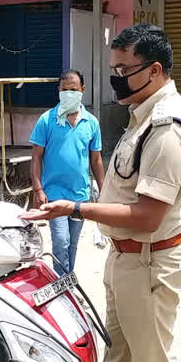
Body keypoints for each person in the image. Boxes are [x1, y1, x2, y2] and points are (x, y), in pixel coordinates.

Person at [23, 24, 181, 362]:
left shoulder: (166, 129)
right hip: (125, 259)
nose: (116, 79)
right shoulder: (141, 116)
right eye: (113, 69)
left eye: (124, 70)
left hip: (148, 264)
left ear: (155, 70)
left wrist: (79, 209)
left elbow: (147, 216)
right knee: (118, 357)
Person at [30, 69, 104, 275]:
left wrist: (103, 189)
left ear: (82, 90)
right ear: (58, 91)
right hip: (54, 194)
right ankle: (62, 283)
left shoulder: (91, 122)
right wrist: (38, 189)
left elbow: (96, 159)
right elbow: (36, 156)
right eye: (64, 89)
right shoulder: (46, 120)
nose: (69, 93)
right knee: (60, 241)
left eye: (73, 89)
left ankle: (67, 281)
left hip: (80, 194)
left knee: (72, 243)